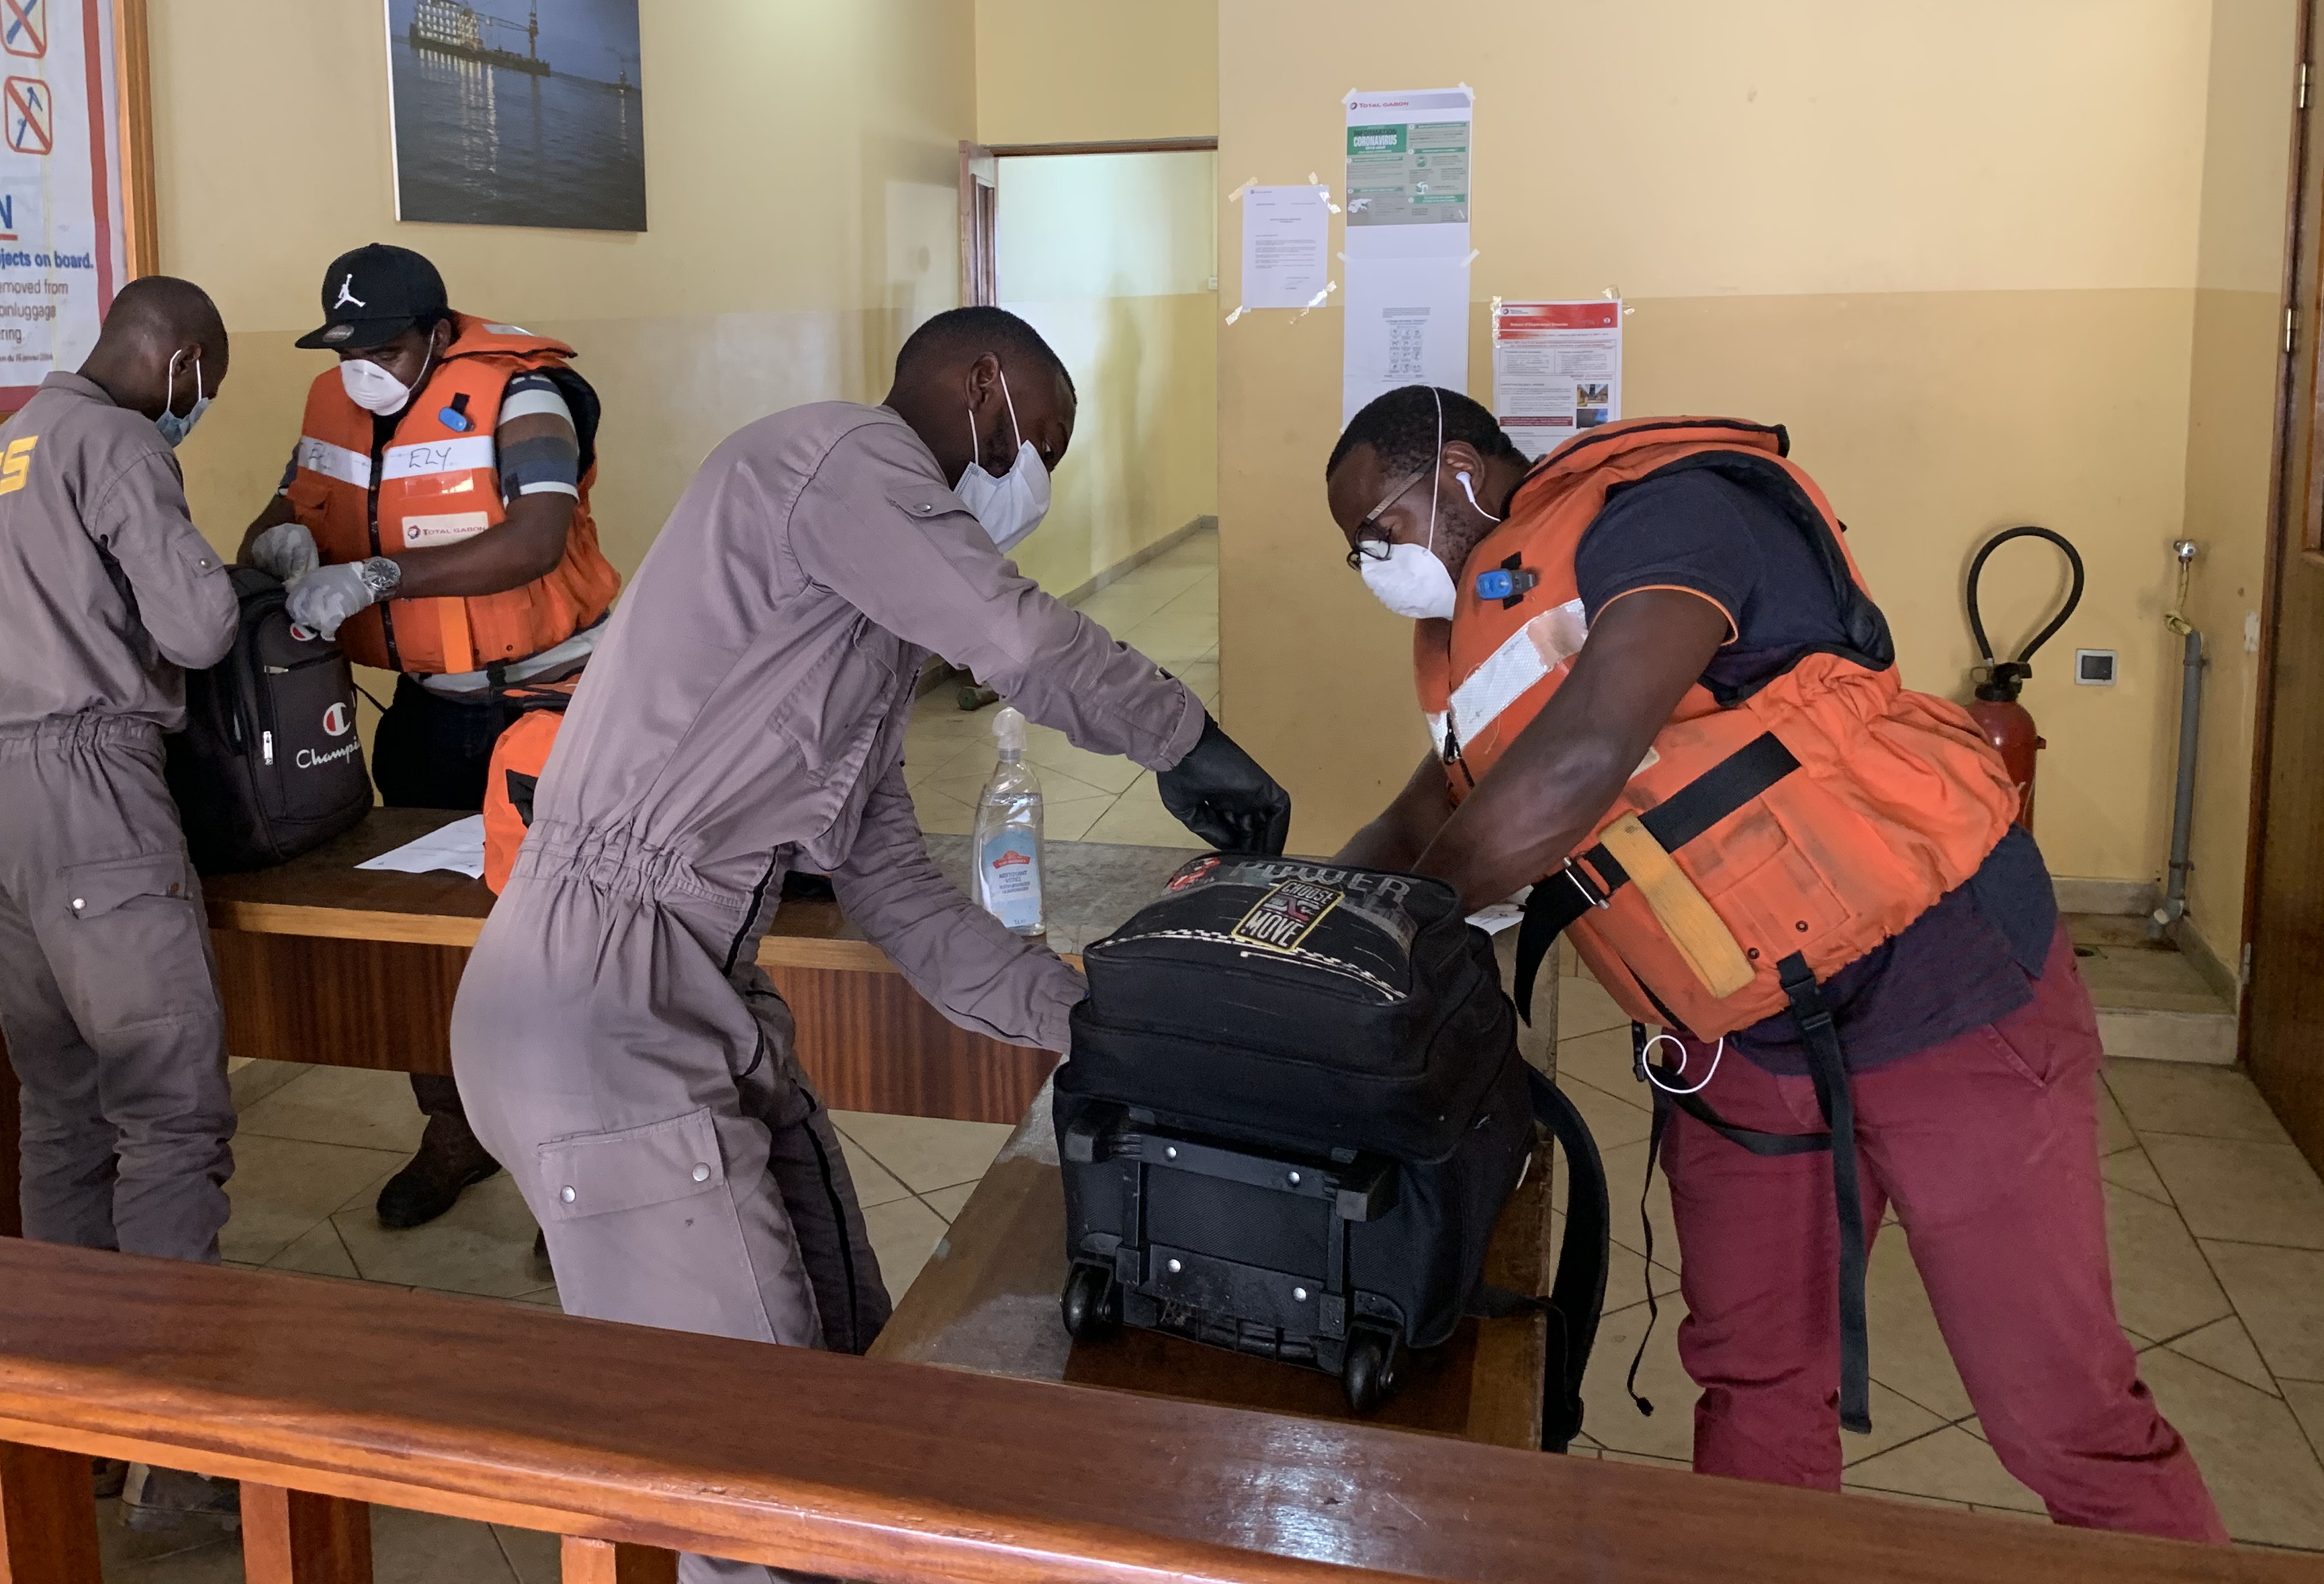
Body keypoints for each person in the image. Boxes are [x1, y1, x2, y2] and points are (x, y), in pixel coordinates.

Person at [450, 306, 1286, 1584]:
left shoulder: (856, 634)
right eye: (1044, 439)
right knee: (761, 1487)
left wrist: (1092, 1021)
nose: (1038, 477)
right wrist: (1184, 737)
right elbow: (1016, 634)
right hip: (596, 1013)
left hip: (692, 996)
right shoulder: (833, 457)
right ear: (983, 384)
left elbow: (898, 891)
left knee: (851, 1374)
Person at [1324, 385, 2220, 1540]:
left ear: (1456, 472)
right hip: (1738, 1034)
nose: (1373, 564)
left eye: (1379, 530)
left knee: (2058, 1410)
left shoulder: (1673, 512)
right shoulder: (1480, 636)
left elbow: (1587, 752)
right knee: (1757, 1387)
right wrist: (1307, 920)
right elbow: (1424, 813)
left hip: (1940, 980)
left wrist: (1413, 927)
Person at [238, 244, 620, 1229]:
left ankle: (583, 1169)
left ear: (439, 332)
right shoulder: (333, 407)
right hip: (427, 712)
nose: (363, 370)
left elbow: (537, 537)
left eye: (386, 350)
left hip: (549, 708)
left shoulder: (523, 398)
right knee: (421, 940)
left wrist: (382, 577)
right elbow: (284, 513)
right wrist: (278, 542)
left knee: (565, 939)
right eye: (346, 351)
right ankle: (454, 1132)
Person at [0, 275, 244, 1532]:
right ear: (178, 360)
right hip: (88, 794)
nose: (200, 406)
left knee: (64, 1112)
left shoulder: (3, 446)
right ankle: (179, 1467)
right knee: (169, 1112)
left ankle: (77, 1436)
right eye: (208, 385)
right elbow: (201, 627)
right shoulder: (120, 443)